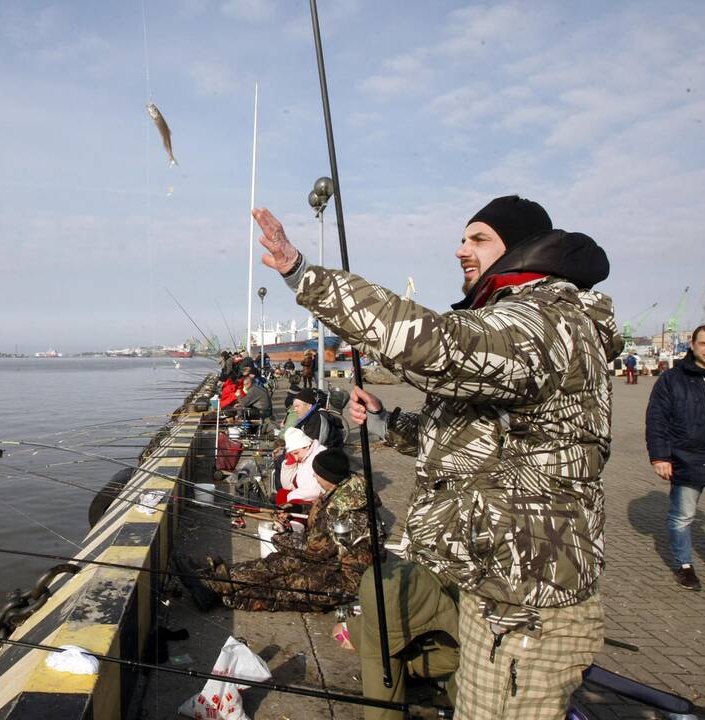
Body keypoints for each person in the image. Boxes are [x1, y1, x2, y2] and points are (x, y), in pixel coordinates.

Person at [254, 194, 621, 719]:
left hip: (525, 608)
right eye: (463, 238)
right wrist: (386, 423)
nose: (460, 250)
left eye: (478, 239)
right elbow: (478, 438)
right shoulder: (517, 321)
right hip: (493, 588)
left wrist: (301, 274)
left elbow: (432, 344)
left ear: (522, 250)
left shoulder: (545, 321)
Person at [180, 449, 378, 612]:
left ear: (328, 476)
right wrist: (298, 510)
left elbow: (314, 549)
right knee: (276, 563)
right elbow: (322, 524)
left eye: (317, 474)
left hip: (345, 579)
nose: (315, 478)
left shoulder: (347, 510)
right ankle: (213, 579)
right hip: (331, 560)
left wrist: (281, 537)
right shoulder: (345, 489)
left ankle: (216, 595)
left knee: (282, 587)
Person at [645, 324, 705, 603]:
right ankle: (685, 565)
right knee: (682, 518)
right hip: (689, 459)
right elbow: (657, 420)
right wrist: (660, 457)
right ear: (693, 344)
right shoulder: (672, 379)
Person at [336, 558, 461, 720]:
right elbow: (379, 710)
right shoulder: (379, 609)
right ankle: (405, 668)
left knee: (464, 684)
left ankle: (411, 670)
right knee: (373, 651)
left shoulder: (467, 605)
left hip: (454, 620)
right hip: (397, 613)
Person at [276, 427, 325, 506]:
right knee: (281, 494)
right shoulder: (303, 456)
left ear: (306, 446)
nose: (295, 457)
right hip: (302, 495)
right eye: (292, 454)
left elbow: (315, 490)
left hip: (316, 500)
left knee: (283, 499)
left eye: (296, 453)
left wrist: (290, 497)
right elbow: (287, 486)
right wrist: (290, 465)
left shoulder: (319, 456)